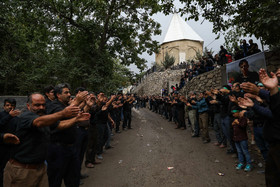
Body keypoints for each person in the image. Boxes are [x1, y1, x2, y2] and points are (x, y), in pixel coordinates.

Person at [4, 93, 89, 187]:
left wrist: (76, 119)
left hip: (40, 168)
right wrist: (63, 113)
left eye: (43, 105)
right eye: (37, 105)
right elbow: (38, 122)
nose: (41, 107)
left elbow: (59, 125)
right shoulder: (26, 116)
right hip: (23, 170)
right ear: (28, 105)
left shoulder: (44, 117)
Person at [46, 84, 89, 187]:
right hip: (58, 150)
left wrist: (86, 105)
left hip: (71, 148)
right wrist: (77, 101)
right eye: (66, 92)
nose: (69, 95)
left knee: (73, 179)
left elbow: (74, 113)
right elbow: (60, 123)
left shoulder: (65, 105)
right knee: (56, 180)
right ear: (58, 95)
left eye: (69, 92)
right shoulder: (54, 106)